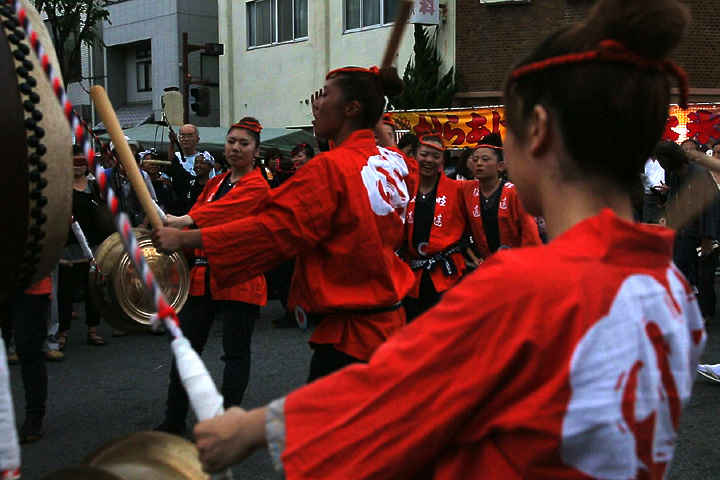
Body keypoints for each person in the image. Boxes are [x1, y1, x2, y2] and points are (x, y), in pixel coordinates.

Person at [190, 1, 706, 477]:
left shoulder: (528, 287)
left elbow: (391, 395)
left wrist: (251, 429)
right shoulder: (671, 288)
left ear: (539, 130)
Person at [152, 65, 416, 382]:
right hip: (389, 323)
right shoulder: (394, 162)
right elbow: (356, 162)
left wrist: (183, 240)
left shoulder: (329, 170)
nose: (315, 104)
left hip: (351, 340)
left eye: (325, 96)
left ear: (351, 108)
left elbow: (270, 229)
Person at [154, 118, 270, 435]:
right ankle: (173, 418)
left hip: (239, 276)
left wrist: (180, 222)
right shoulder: (216, 183)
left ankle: (226, 426)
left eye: (244, 143)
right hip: (203, 275)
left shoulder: (258, 186)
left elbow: (217, 215)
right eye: (232, 141)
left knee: (234, 354)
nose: (235, 148)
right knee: (185, 349)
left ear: (256, 151)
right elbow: (198, 218)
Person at [402, 134, 467, 321]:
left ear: (442, 161)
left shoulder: (458, 189)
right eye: (424, 154)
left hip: (446, 274)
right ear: (414, 156)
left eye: (435, 156)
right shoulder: (403, 187)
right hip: (411, 274)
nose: (429, 160)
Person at [56, 147, 115, 351]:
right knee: (66, 292)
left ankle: (93, 329)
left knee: (93, 291)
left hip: (94, 243)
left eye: (81, 163)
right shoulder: (61, 188)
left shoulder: (95, 186)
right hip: (70, 245)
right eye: (74, 162)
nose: (77, 167)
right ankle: (62, 332)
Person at [654, 141, 719, 321]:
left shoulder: (699, 174)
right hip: (689, 231)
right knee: (680, 266)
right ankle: (679, 307)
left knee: (705, 274)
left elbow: (710, 207)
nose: (659, 163)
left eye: (661, 159)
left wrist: (707, 238)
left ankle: (705, 311)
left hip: (708, 231)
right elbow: (676, 199)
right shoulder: (674, 175)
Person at [462, 133, 541, 263]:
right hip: (489, 263)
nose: (479, 163)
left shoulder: (513, 193)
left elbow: (529, 233)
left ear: (500, 165)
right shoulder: (467, 189)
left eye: (485, 159)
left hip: (518, 263)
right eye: (475, 160)